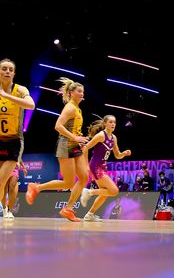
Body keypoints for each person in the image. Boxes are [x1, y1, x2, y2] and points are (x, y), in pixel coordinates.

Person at [25, 77, 89, 222]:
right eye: (79, 91)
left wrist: (80, 139)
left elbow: (72, 129)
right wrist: (75, 137)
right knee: (68, 182)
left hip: (75, 145)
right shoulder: (70, 107)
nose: (82, 93)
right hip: (65, 145)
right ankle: (36, 187)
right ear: (71, 93)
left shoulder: (78, 109)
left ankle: (68, 208)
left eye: (83, 91)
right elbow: (58, 126)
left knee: (84, 177)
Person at [78, 115, 132, 221]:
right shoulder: (100, 136)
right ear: (105, 124)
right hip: (96, 166)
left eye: (114, 122)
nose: (113, 124)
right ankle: (89, 192)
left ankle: (90, 214)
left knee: (104, 193)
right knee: (114, 191)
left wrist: (124, 154)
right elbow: (85, 147)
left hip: (103, 167)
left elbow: (117, 155)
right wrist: (85, 166)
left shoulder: (114, 138)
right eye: (110, 122)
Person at [0, 59, 36, 218]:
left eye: (10, 69)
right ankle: (4, 209)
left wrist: (6, 96)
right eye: (4, 69)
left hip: (14, 140)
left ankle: (7, 209)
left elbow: (31, 105)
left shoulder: (20, 90)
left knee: (5, 181)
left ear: (14, 73)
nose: (7, 71)